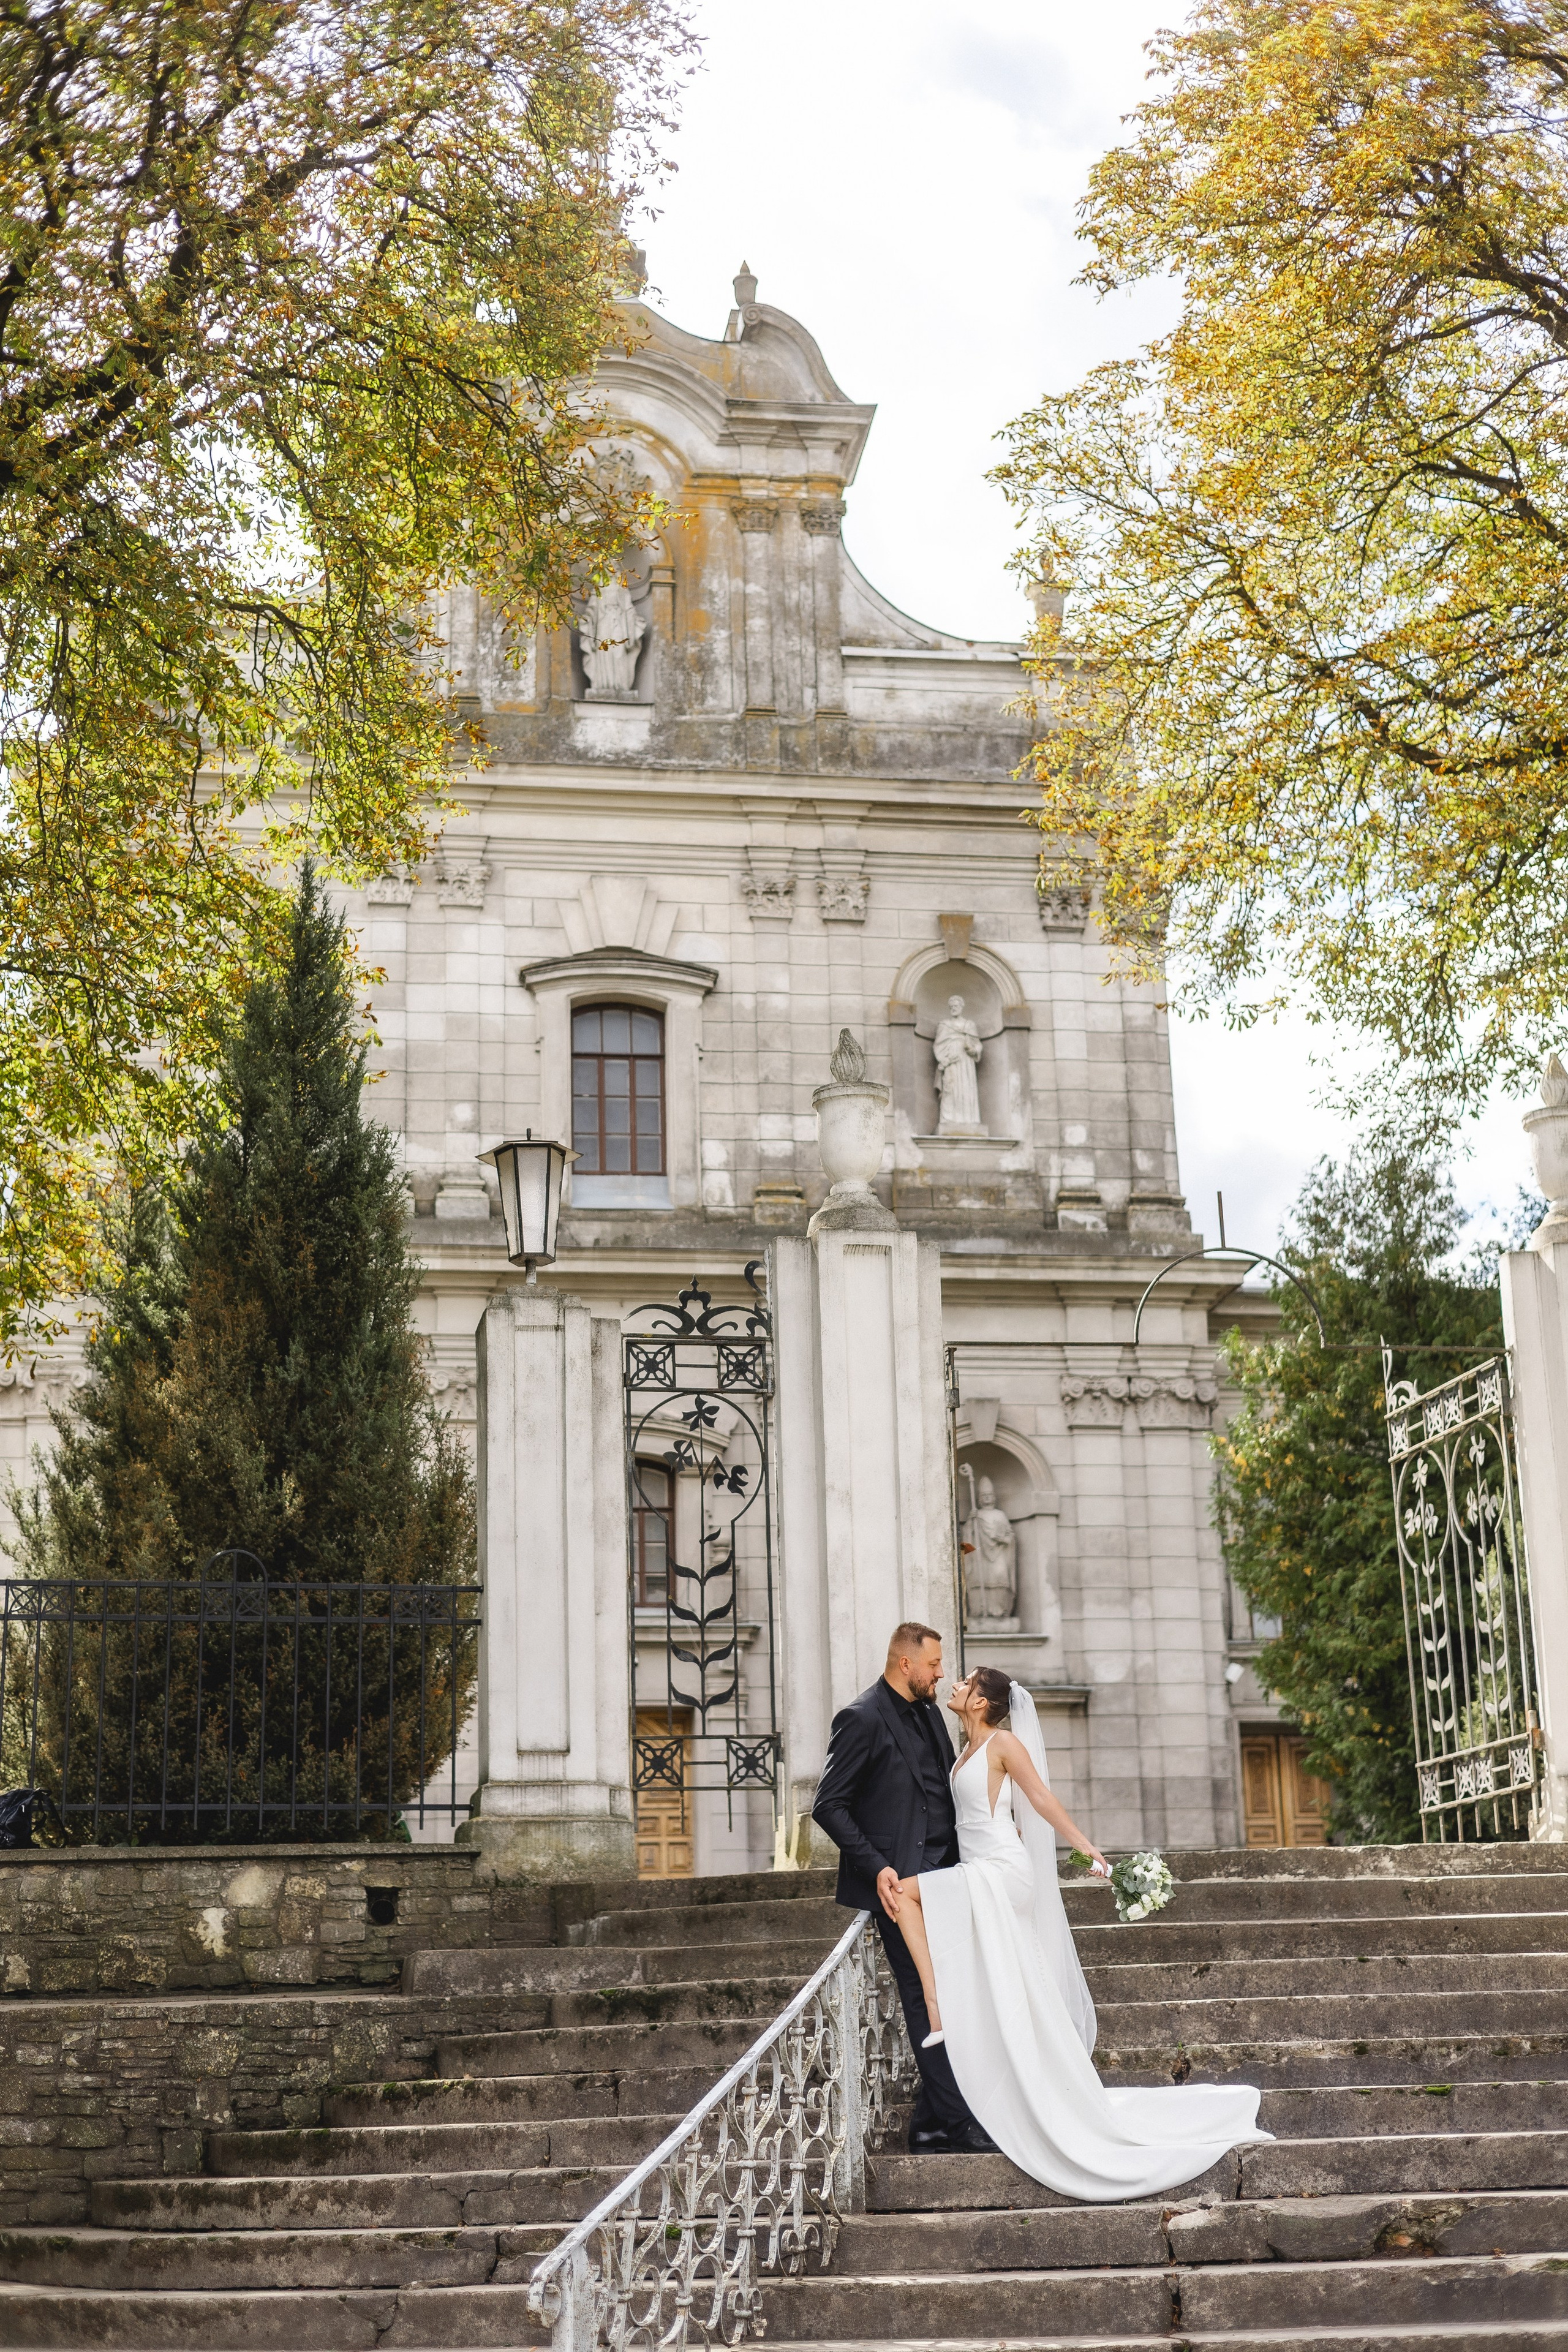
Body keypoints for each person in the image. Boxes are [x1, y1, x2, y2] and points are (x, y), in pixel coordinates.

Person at [887, 1662, 1271, 2199]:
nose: (954, 1684)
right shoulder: (966, 1751)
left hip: (1001, 1871)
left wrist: (1085, 1846)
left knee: (904, 1892)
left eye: (966, 1682)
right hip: (980, 1865)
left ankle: (935, 2002)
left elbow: (1040, 1799)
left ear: (980, 1701)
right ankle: (985, 2050)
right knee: (1002, 1974)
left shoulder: (1004, 1744)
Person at [811, 1623, 997, 2154]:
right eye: (934, 1664)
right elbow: (829, 1805)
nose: (942, 1673)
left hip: (949, 1877)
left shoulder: (933, 1711)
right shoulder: (861, 1717)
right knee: (924, 1998)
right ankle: (958, 2124)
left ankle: (931, 2124)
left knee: (955, 1994)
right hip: (900, 1889)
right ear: (905, 1664)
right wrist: (876, 1867)